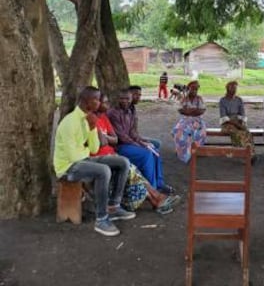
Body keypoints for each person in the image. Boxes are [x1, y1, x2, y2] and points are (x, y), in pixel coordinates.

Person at [53, 86, 136, 237]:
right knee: (103, 170)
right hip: (67, 167)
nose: (99, 103)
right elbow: (73, 157)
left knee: (122, 162)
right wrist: (87, 152)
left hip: (83, 159)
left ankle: (114, 206)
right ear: (87, 101)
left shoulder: (88, 119)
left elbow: (95, 147)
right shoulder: (70, 122)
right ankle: (101, 219)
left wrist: (92, 128)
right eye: (97, 99)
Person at [91, 94, 179, 215]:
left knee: (153, 149)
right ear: (96, 104)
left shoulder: (107, 116)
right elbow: (113, 140)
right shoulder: (99, 117)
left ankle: (157, 195)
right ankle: (157, 198)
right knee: (139, 162)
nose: (108, 105)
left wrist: (140, 142)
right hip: (109, 153)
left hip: (113, 152)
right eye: (105, 102)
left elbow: (116, 138)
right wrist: (137, 144)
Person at [108, 89, 174, 194]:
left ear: (130, 99)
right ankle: (153, 189)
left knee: (153, 150)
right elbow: (122, 137)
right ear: (117, 99)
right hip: (120, 146)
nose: (124, 101)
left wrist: (143, 143)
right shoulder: (114, 113)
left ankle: (160, 184)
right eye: (122, 99)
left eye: (127, 99)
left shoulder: (129, 111)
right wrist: (139, 145)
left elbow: (133, 132)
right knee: (146, 154)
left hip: (129, 143)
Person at [219, 81, 256, 161]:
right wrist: (237, 124)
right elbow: (224, 117)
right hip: (227, 124)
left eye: (235, 88)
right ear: (227, 89)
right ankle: (244, 155)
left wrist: (242, 123)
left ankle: (251, 154)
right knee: (239, 134)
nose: (234, 90)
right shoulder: (223, 101)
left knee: (248, 133)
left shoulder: (239, 100)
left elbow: (243, 114)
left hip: (238, 122)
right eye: (232, 88)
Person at [172, 81, 207, 163]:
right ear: (188, 89)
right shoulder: (183, 98)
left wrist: (189, 111)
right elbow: (181, 110)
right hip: (185, 120)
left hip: (198, 120)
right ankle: (184, 154)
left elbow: (201, 111)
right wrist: (194, 110)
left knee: (200, 132)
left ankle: (195, 151)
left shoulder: (199, 98)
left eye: (196, 89)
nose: (195, 90)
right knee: (178, 131)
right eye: (193, 88)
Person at [129, 85, 161, 150]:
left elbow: (134, 130)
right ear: (129, 95)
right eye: (135, 94)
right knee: (152, 148)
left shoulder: (132, 108)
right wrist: (140, 141)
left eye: (140, 95)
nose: (138, 97)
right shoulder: (124, 111)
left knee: (157, 144)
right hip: (129, 140)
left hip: (135, 137)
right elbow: (126, 133)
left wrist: (140, 139)